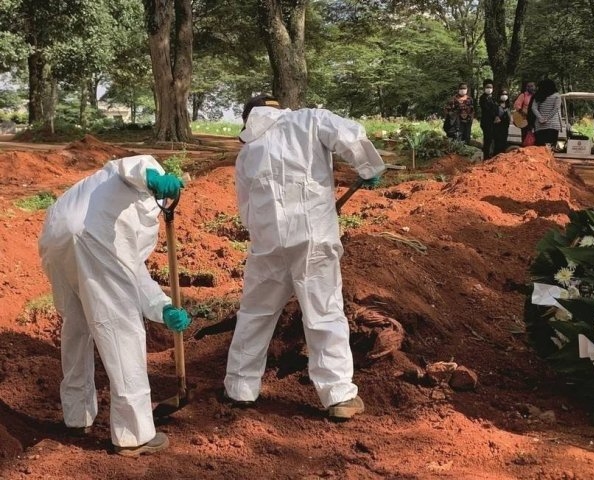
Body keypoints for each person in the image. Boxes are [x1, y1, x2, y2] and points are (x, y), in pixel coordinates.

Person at [224, 94, 385, 419]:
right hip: (314, 238)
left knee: (255, 313)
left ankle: (240, 387)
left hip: (268, 243)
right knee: (324, 312)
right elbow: (349, 134)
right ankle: (338, 396)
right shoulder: (309, 120)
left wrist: (267, 232)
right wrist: (370, 166)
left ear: (248, 119)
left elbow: (246, 210)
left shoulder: (248, 152)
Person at [38, 155, 191, 456]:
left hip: (56, 236)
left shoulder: (107, 196)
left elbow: (131, 270)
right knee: (122, 329)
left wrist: (163, 307)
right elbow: (130, 166)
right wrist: (152, 178)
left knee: (78, 325)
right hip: (92, 235)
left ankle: (77, 416)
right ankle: (134, 434)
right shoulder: (145, 174)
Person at [530, 79, 561, 148]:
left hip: (540, 125)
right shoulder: (557, 96)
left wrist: (540, 118)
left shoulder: (538, 95)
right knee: (550, 148)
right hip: (553, 125)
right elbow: (556, 108)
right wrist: (547, 118)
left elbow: (533, 108)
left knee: (540, 147)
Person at [478, 79, 498, 160]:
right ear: (484, 88)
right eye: (487, 87)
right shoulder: (482, 98)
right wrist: (495, 116)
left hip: (494, 122)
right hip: (486, 121)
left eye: (491, 87)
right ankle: (486, 156)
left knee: (492, 139)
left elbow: (496, 108)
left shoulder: (493, 98)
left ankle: (491, 154)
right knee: (487, 139)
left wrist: (497, 116)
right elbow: (487, 109)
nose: (489, 89)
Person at [493, 89, 512, 156]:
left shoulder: (508, 105)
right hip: (498, 125)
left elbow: (509, 115)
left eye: (506, 94)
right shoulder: (496, 104)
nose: (504, 96)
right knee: (497, 141)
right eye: (503, 94)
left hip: (505, 125)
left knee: (504, 140)